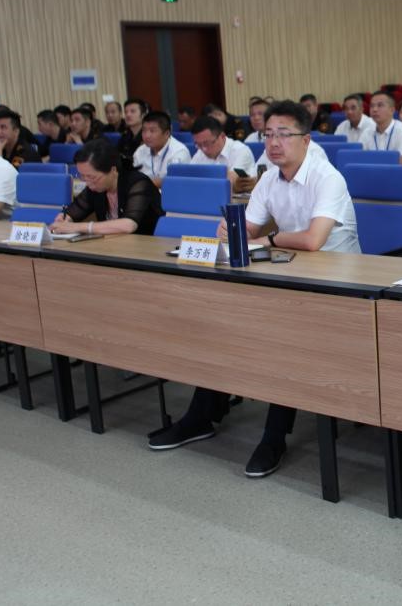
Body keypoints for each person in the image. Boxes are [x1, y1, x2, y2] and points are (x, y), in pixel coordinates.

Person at [148, 100, 360, 478]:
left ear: (306, 140)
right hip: (290, 275)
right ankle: (201, 417)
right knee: (223, 323)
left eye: (284, 135)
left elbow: (313, 241)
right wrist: (231, 231)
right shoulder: (269, 179)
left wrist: (267, 240)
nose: (274, 143)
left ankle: (273, 438)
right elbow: (247, 229)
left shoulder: (328, 178)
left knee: (282, 339)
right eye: (268, 134)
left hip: (338, 285)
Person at [51, 139, 164, 236]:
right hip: (116, 245)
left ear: (113, 170)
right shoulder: (95, 187)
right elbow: (73, 212)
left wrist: (79, 227)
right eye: (82, 176)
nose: (87, 183)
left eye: (91, 177)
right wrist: (63, 219)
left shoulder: (138, 183)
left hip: (148, 245)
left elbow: (129, 225)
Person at [191, 115, 256, 191]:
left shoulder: (241, 151)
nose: (204, 149)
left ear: (222, 136)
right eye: (198, 144)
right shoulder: (200, 153)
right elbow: (190, 178)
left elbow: (230, 182)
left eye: (207, 143)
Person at [133, 111, 191, 187]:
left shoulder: (179, 152)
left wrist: (142, 183)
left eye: (152, 131)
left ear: (167, 133)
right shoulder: (140, 151)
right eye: (144, 130)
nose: (147, 135)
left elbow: (174, 182)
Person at [366, 91, 402, 165]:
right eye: (372, 106)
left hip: (396, 172)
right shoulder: (367, 132)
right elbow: (360, 158)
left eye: (380, 105)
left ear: (392, 110)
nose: (374, 109)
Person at [114, 98, 148, 166]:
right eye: (126, 112)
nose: (128, 115)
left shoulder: (148, 136)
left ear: (143, 115)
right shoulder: (125, 136)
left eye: (133, 111)